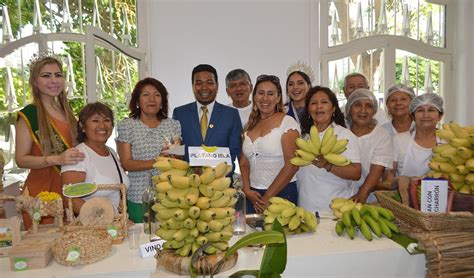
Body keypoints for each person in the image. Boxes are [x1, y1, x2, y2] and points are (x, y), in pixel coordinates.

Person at [15, 54, 85, 230]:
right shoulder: (29, 115)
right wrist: (56, 159)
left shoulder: (67, 112)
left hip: (68, 190)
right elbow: (21, 159)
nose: (54, 80)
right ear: (35, 82)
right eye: (46, 75)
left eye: (58, 75)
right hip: (42, 194)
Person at [116, 77, 181, 223]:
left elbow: (178, 159)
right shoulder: (127, 126)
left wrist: (173, 157)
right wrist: (159, 161)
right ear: (137, 101)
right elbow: (127, 164)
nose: (152, 99)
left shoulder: (173, 125)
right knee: (141, 240)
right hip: (139, 196)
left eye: (157, 95)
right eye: (146, 94)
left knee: (169, 241)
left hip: (169, 195)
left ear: (162, 101)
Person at [240, 75, 300, 214]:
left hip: (282, 193)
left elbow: (292, 165)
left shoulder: (287, 123)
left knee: (280, 236)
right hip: (253, 196)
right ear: (254, 97)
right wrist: (247, 189)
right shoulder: (250, 125)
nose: (265, 98)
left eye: (270, 94)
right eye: (260, 93)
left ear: (278, 98)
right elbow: (244, 163)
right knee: (253, 235)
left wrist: (267, 197)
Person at [297, 86, 361, 213]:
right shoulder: (302, 137)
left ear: (333, 109)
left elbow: (356, 173)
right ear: (308, 110)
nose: (319, 106)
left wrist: (327, 165)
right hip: (305, 208)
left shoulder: (344, 135)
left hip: (336, 210)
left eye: (324, 102)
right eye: (313, 103)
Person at [62, 102, 129, 214]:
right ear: (82, 127)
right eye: (95, 120)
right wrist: (99, 217)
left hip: (114, 226)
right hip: (90, 227)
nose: (102, 125)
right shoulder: (78, 155)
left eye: (107, 120)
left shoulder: (111, 152)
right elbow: (69, 199)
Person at [173, 64, 242, 168]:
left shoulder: (231, 114)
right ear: (193, 86)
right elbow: (176, 149)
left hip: (221, 180)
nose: (204, 87)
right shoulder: (180, 113)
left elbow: (235, 151)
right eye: (199, 83)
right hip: (187, 180)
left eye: (210, 83)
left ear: (217, 85)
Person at [345, 89, 393, 203]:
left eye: (369, 106)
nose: (363, 110)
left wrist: (362, 193)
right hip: (339, 194)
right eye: (357, 105)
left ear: (374, 111)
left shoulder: (381, 135)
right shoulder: (341, 131)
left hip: (370, 198)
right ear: (349, 109)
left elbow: (377, 169)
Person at [385, 93, 445, 179]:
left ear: (440, 116)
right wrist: (401, 182)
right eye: (420, 110)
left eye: (431, 110)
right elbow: (389, 175)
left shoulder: (448, 141)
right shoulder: (398, 140)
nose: (426, 115)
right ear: (413, 116)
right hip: (405, 191)